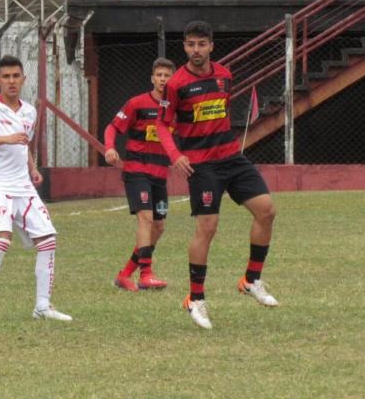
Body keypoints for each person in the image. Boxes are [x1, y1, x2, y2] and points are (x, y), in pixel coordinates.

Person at [155, 21, 278, 330]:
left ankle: (251, 280)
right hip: (202, 165)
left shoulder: (224, 75)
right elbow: (161, 125)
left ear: (211, 46)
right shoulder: (176, 83)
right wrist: (176, 154)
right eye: (190, 44)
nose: (196, 50)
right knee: (207, 228)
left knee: (266, 211)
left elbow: (220, 112)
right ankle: (195, 299)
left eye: (201, 44)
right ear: (184, 47)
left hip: (231, 158)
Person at [0, 55, 71, 322]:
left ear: (23, 79)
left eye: (16, 76)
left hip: (23, 185)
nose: (11, 81)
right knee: (1, 239)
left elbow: (24, 144)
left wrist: (32, 167)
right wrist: (4, 138)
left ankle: (43, 307)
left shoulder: (29, 111)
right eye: (6, 77)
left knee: (48, 241)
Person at [104, 58, 176, 292]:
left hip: (160, 174)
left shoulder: (176, 109)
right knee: (145, 218)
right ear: (152, 78)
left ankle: (125, 275)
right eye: (159, 75)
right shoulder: (137, 103)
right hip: (137, 171)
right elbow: (112, 127)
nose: (163, 79)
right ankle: (146, 274)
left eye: (167, 75)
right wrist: (110, 147)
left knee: (159, 226)